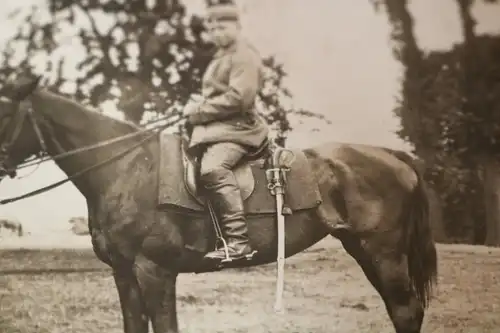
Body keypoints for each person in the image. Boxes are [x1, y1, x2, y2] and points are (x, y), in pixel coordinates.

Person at [182, 3, 269, 262]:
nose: (217, 33)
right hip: (218, 129)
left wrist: (197, 110)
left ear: (237, 27)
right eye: (212, 29)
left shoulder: (244, 55)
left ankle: (238, 242)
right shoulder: (221, 56)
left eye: (222, 27)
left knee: (213, 169)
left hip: (240, 129)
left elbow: (239, 98)